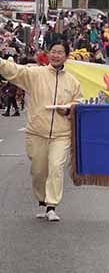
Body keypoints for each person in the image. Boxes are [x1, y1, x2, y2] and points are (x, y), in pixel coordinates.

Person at [0, 41, 82, 222]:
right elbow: (15, 71)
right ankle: (42, 201)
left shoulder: (72, 82)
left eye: (60, 52)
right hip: (37, 132)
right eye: (53, 52)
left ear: (66, 56)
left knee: (56, 167)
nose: (56, 55)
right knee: (38, 171)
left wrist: (67, 109)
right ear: (48, 54)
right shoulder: (35, 74)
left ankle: (52, 205)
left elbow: (78, 103)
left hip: (61, 134)